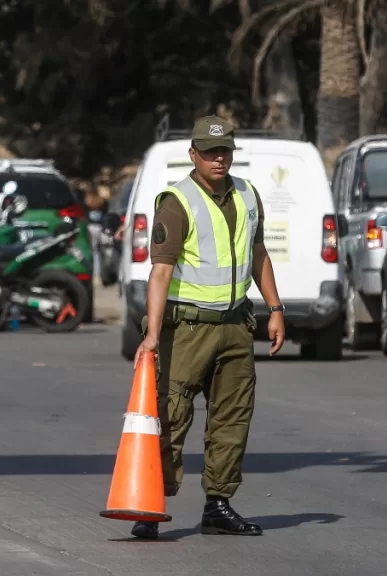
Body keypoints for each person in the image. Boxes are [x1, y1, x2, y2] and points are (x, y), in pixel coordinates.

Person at [130, 115, 286, 540]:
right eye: (210, 151)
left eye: (225, 151)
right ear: (193, 155)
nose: (219, 159)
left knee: (233, 417)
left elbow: (258, 254)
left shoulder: (248, 194)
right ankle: (150, 504)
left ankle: (218, 505)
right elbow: (159, 273)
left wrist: (275, 308)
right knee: (171, 415)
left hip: (236, 325)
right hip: (187, 328)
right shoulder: (177, 202)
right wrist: (152, 334)